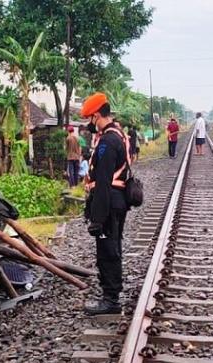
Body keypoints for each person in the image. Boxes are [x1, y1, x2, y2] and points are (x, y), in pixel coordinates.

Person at [80, 92, 131, 315]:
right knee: (112, 247)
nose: (90, 124)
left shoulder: (108, 142)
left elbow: (102, 181)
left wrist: (97, 218)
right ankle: (111, 295)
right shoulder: (117, 134)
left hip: (109, 201)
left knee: (108, 250)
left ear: (98, 115)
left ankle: (111, 300)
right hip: (115, 200)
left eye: (91, 119)